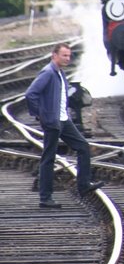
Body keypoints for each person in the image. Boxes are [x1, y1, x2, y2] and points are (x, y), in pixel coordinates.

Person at [25, 43, 104, 208]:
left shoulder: (60, 73)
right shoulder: (48, 73)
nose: (67, 59)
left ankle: (83, 185)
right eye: (64, 55)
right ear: (54, 55)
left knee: (83, 146)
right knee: (49, 158)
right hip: (52, 121)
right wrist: (40, 114)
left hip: (63, 120)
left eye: (69, 56)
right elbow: (31, 94)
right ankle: (45, 198)